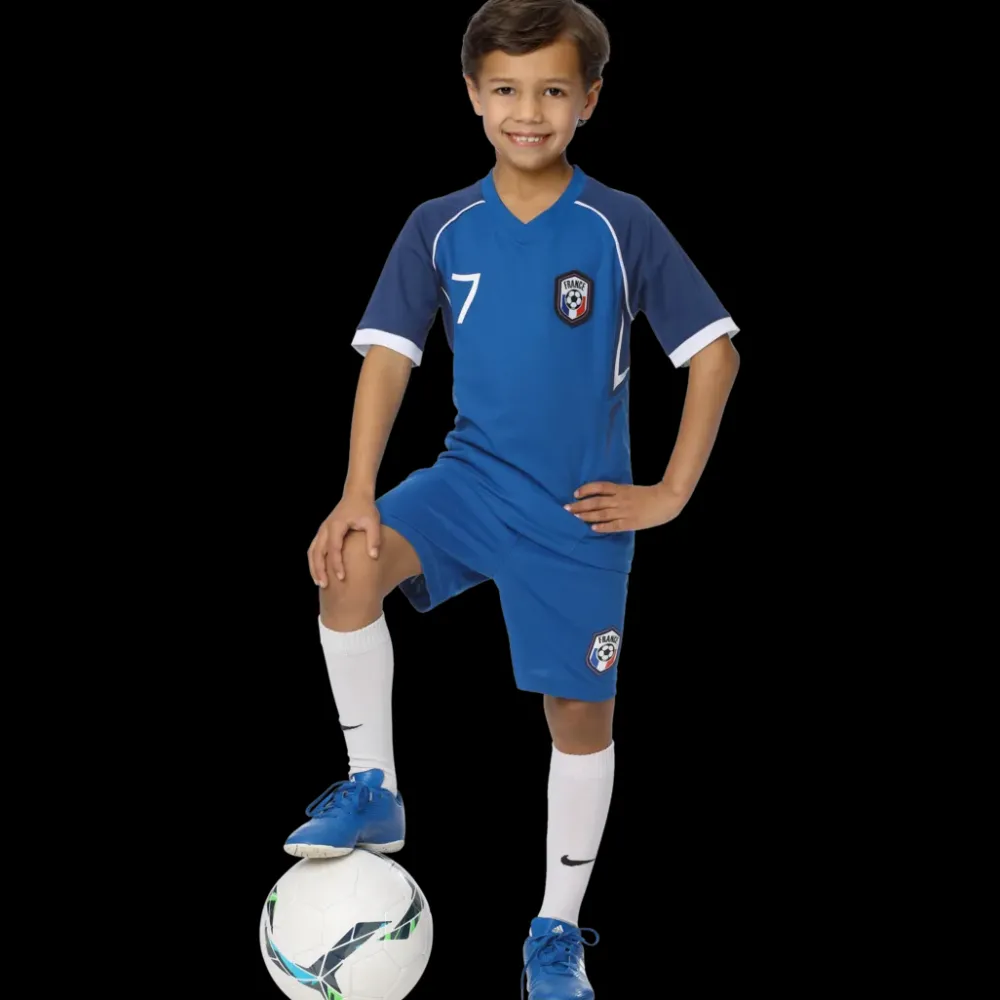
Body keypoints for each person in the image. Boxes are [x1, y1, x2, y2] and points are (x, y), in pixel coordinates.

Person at [285, 1, 741, 995]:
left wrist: (670, 491)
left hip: (579, 513)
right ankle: (374, 788)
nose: (526, 112)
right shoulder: (438, 226)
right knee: (349, 560)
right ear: (472, 95)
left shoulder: (619, 224)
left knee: (579, 716)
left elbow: (715, 354)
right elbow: (387, 359)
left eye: (551, 91)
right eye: (505, 89)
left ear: (589, 100)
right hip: (471, 482)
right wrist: (357, 491)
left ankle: (554, 931)